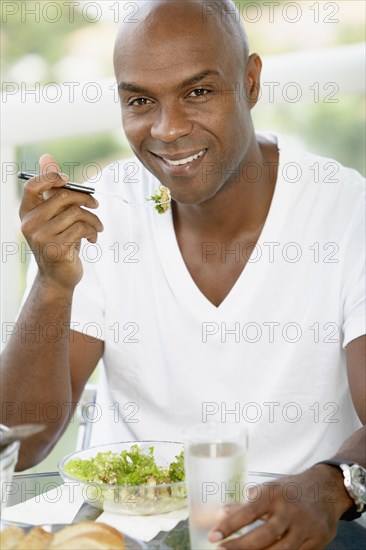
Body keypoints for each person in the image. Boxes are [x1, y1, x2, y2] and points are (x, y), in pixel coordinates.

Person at [1, 0, 365, 548]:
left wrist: (332, 484)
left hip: (291, 530)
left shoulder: (345, 211)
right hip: (119, 532)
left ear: (250, 82)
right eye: (141, 100)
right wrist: (54, 283)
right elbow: (21, 444)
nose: (167, 130)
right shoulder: (105, 213)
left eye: (198, 92)